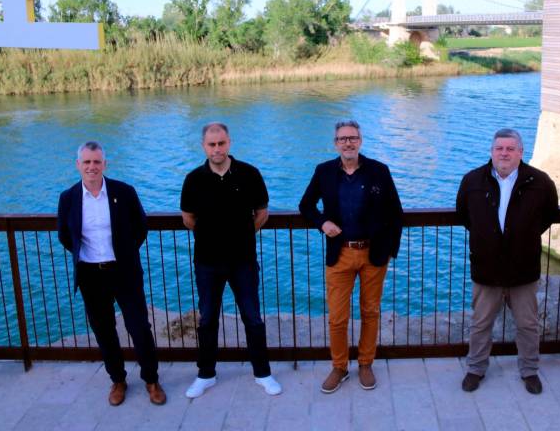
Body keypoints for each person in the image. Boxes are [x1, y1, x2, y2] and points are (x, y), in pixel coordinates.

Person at [57, 141, 166, 406]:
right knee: (104, 330)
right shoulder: (68, 198)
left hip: (124, 271)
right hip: (91, 275)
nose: (92, 167)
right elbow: (65, 236)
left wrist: (124, 254)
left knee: (139, 327)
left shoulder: (124, 192)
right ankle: (118, 380)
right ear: (78, 165)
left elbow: (140, 228)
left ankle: (151, 380)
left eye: (97, 162)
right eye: (87, 162)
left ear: (105, 164)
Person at [299, 120, 403, 394]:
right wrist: (322, 223)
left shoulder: (379, 171)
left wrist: (391, 250)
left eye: (353, 138)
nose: (348, 142)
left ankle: (366, 363)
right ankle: (340, 367)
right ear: (335, 143)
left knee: (370, 312)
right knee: (337, 316)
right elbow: (305, 205)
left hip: (373, 253)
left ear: (360, 141)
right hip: (340, 254)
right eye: (343, 138)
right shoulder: (324, 172)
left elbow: (395, 213)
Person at [180, 122, 282, 398]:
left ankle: (263, 373)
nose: (217, 148)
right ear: (204, 146)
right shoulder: (193, 179)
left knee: (253, 318)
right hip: (207, 262)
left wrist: (243, 233)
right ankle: (206, 375)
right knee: (207, 319)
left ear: (229, 143)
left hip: (243, 261)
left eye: (221, 143)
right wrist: (211, 234)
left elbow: (262, 212)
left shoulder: (249, 174)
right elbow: (188, 218)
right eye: (212, 144)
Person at [456, 128, 558, 394]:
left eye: (510, 149)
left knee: (527, 324)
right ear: (491, 151)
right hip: (486, 268)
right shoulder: (472, 181)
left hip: (523, 269)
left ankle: (529, 370)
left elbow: (548, 215)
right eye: (499, 148)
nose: (504, 153)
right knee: (480, 324)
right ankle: (475, 369)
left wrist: (522, 238)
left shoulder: (540, 181)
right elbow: (464, 215)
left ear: (520, 153)